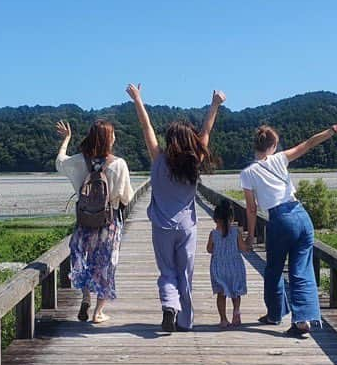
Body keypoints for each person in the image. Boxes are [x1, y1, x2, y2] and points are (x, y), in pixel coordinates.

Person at [240, 118, 337, 337]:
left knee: (274, 269)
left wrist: (250, 236)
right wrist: (336, 128)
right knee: (301, 270)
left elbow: (252, 209)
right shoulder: (280, 159)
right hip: (301, 215)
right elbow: (309, 143)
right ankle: (303, 321)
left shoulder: (248, 173)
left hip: (280, 219)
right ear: (273, 146)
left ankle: (274, 315)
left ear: (255, 146)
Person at [126, 84, 224, 333]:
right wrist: (214, 105)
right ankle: (185, 321)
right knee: (185, 274)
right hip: (187, 227)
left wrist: (138, 100)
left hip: (161, 227)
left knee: (167, 271)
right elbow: (206, 131)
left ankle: (169, 306)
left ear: (169, 140)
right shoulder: (194, 162)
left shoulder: (159, 160)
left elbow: (146, 128)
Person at [55, 118, 134, 324]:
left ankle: (85, 297)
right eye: (113, 133)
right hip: (109, 222)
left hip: (85, 221)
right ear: (108, 138)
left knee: (84, 259)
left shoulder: (81, 161)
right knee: (106, 263)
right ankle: (98, 312)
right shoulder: (118, 164)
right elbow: (127, 198)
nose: (115, 137)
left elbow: (60, 162)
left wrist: (67, 139)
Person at [206, 197, 249, 328]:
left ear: (215, 219)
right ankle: (236, 312)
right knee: (235, 292)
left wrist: (217, 250)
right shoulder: (236, 232)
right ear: (231, 219)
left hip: (219, 268)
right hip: (235, 266)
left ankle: (223, 319)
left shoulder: (213, 234)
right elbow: (243, 248)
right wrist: (248, 243)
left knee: (221, 293)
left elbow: (209, 249)